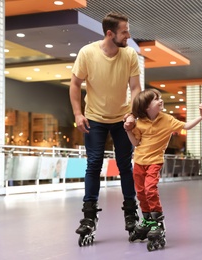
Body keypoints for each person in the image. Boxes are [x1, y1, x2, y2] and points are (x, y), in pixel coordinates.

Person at [69, 11, 142, 246]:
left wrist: (132, 114)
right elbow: (75, 83)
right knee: (93, 164)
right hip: (95, 118)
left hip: (122, 118)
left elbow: (136, 87)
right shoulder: (87, 53)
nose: (128, 36)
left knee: (125, 166)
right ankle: (89, 216)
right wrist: (78, 114)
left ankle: (131, 214)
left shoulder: (129, 54)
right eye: (124, 32)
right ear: (110, 34)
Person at [124, 88, 202, 251]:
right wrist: (128, 130)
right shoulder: (139, 122)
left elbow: (187, 125)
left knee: (150, 189)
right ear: (146, 107)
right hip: (139, 161)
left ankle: (158, 221)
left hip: (154, 161)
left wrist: (201, 116)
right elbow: (135, 143)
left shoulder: (167, 119)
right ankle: (147, 219)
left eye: (160, 97)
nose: (160, 101)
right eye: (156, 99)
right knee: (140, 192)